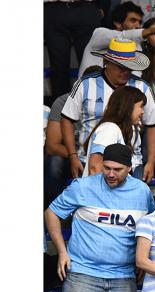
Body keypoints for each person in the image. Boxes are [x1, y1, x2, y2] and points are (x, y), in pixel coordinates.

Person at [44, 143, 155, 292]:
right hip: (82, 274)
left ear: (129, 168)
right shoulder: (83, 186)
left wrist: (144, 255)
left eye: (117, 169)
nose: (110, 174)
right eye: (106, 168)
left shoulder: (142, 191)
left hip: (123, 278)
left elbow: (151, 225)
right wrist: (62, 252)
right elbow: (51, 213)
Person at [61, 38, 155, 183]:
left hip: (132, 162)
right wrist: (72, 156)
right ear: (107, 62)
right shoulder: (85, 84)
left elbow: (153, 124)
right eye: (121, 66)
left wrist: (151, 162)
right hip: (89, 158)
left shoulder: (142, 87)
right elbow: (67, 119)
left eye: (129, 66)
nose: (126, 70)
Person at [44, 65, 102, 207]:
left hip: (101, 157)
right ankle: (55, 210)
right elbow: (52, 146)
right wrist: (75, 156)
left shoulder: (111, 102)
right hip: (70, 157)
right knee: (53, 162)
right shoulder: (63, 102)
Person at [78, 1, 155, 77]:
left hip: (119, 97)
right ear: (118, 23)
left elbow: (136, 75)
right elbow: (122, 36)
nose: (138, 25)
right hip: (88, 95)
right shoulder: (100, 34)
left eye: (139, 22)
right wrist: (148, 31)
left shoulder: (136, 46)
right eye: (133, 20)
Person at [83, 86, 146, 178]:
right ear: (128, 106)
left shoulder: (123, 130)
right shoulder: (109, 130)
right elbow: (95, 169)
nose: (143, 112)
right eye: (141, 106)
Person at [44, 0, 101, 100]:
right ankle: (59, 111)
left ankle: (93, 108)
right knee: (58, 67)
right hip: (54, 9)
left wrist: (101, 8)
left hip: (87, 8)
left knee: (92, 67)